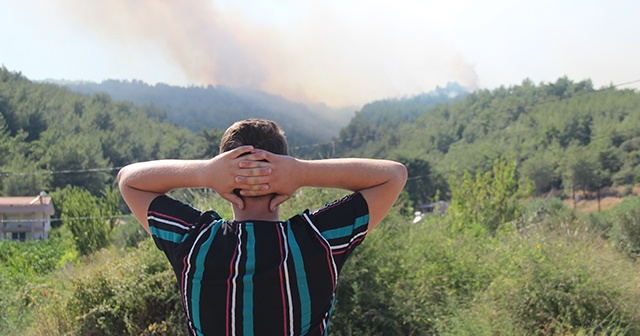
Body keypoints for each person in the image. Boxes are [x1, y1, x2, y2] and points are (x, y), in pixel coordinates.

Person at [118, 119, 407, 336]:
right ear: (283, 175)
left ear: (225, 181)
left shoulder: (195, 243)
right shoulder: (319, 240)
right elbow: (393, 175)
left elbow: (129, 180)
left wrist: (206, 172)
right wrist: (302, 172)